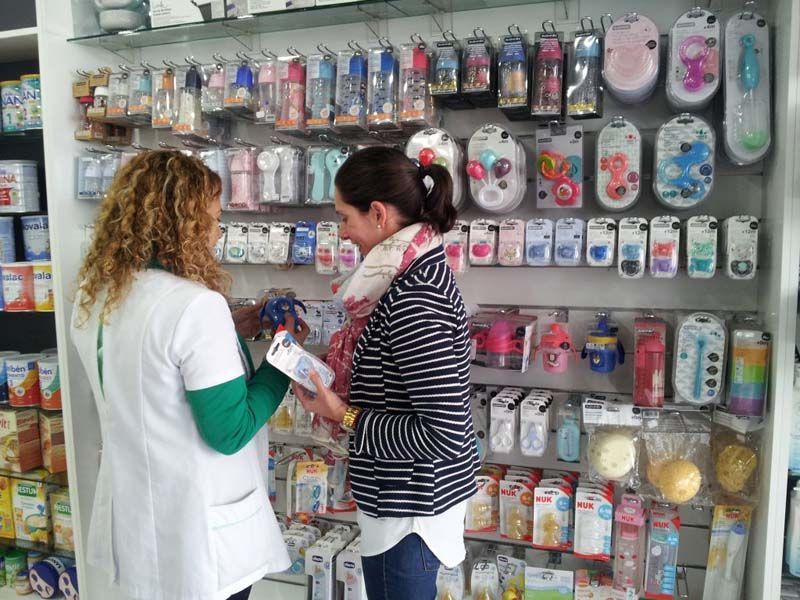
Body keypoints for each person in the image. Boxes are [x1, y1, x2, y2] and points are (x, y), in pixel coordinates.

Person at [70, 151, 308, 600]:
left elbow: (148, 363)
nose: (219, 233)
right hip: (200, 534)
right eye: (214, 220)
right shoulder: (195, 305)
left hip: (139, 519)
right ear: (184, 225)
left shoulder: (98, 294)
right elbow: (230, 430)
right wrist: (283, 361)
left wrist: (232, 328)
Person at [293, 146, 480, 599]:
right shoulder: (404, 277)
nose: (342, 233)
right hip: (401, 505)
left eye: (344, 217)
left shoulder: (415, 298)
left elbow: (445, 434)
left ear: (377, 213)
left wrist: (344, 414)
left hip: (411, 513)